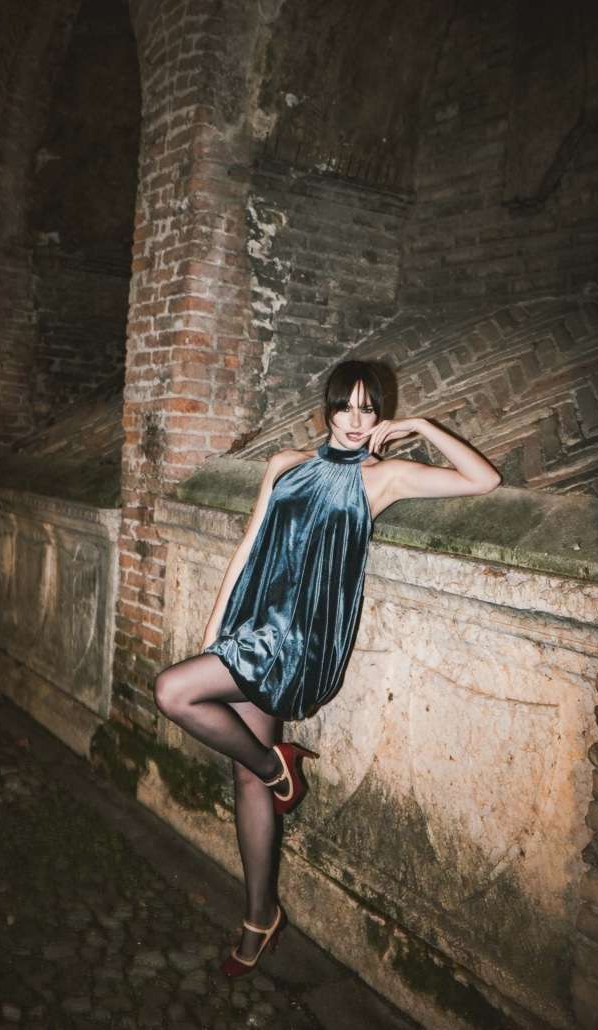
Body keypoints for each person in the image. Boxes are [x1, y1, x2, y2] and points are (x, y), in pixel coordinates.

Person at [154, 359, 501, 976]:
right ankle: (261, 916)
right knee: (246, 780)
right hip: (247, 628)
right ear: (328, 409)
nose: (356, 420)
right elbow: (249, 545)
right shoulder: (285, 464)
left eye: (369, 408)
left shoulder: (383, 477)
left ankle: (278, 766)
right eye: (346, 406)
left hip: (298, 640)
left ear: (381, 415)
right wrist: (214, 630)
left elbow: (484, 481)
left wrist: (423, 426)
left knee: (172, 692)